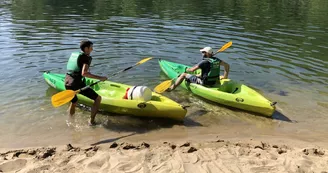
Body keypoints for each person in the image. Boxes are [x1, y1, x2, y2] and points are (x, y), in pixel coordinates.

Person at [65, 40, 107, 125]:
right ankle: (91, 122)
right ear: (86, 48)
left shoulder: (77, 55)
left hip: (67, 82)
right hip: (76, 84)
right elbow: (84, 73)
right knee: (98, 99)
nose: (92, 49)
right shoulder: (85, 58)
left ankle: (70, 121)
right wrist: (100, 78)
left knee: (74, 101)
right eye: (91, 47)